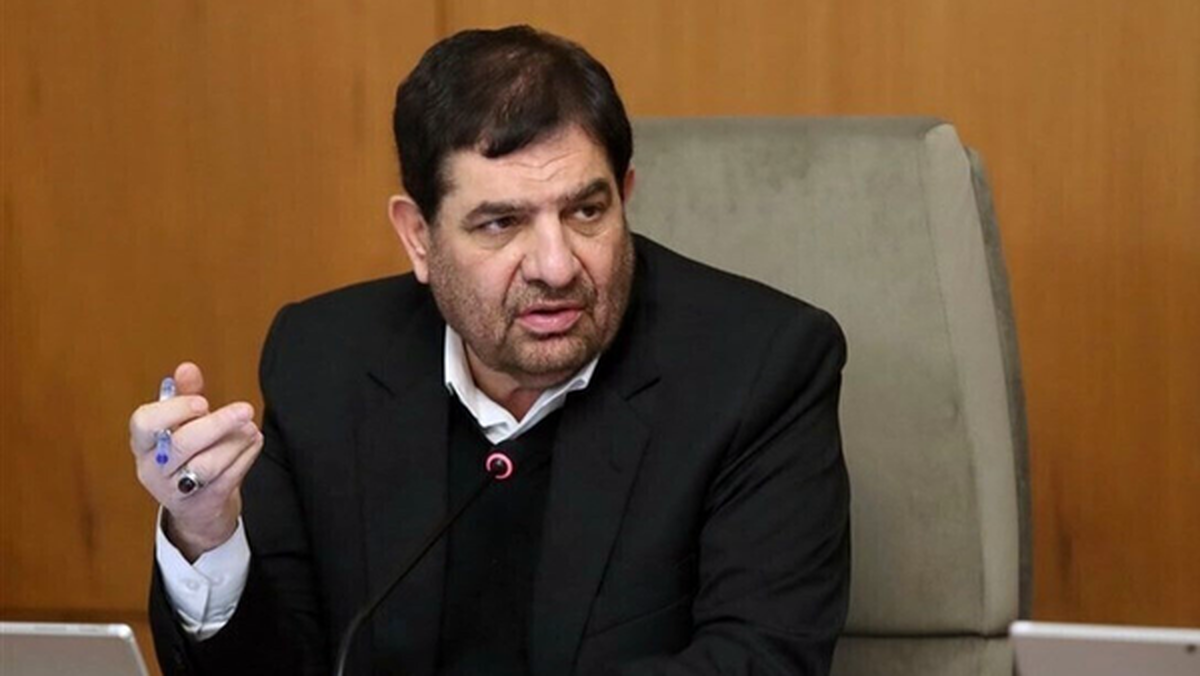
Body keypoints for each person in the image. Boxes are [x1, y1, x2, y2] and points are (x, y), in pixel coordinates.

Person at [129, 25, 850, 676]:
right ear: (418, 237)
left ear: (626, 196)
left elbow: (763, 659)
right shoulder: (324, 360)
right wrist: (206, 532)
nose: (556, 267)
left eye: (587, 211)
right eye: (501, 223)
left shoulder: (758, 367)